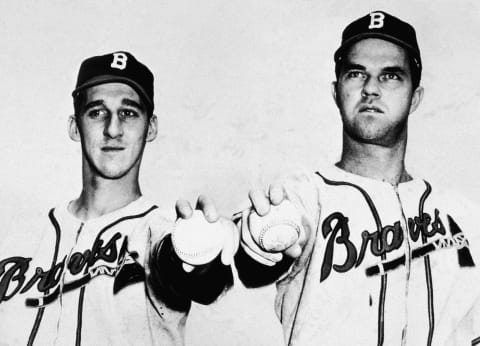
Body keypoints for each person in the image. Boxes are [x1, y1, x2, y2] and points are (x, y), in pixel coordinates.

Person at [235, 11, 480, 345]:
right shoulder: (304, 197)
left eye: (390, 76)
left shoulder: (462, 215)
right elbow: (252, 263)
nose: (370, 89)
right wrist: (257, 245)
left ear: (415, 97)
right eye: (356, 74)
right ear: (337, 92)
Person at [0, 51, 237, 346]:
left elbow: (198, 278)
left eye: (128, 113)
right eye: (97, 112)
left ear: (150, 128)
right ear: (75, 127)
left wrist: (203, 255)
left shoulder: (162, 231)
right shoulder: (18, 237)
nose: (113, 129)